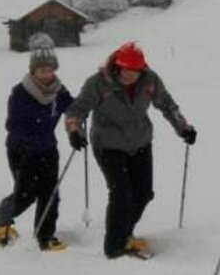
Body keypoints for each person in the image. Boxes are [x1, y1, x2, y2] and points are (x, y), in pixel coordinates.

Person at [65, 41, 196, 259]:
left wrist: (183, 128)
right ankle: (114, 247)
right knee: (121, 193)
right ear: (118, 65)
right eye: (126, 70)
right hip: (108, 143)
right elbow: (76, 110)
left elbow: (167, 104)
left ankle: (124, 233)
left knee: (144, 193)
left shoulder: (150, 80)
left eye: (135, 71)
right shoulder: (99, 83)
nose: (130, 75)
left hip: (140, 141)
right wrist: (74, 131)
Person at [0, 34, 75, 251]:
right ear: (33, 70)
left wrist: (82, 115)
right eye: (42, 70)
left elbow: (72, 107)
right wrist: (32, 139)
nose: (47, 74)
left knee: (51, 194)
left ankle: (45, 235)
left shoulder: (58, 90)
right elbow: (13, 125)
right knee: (25, 196)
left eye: (50, 69)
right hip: (22, 150)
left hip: (48, 149)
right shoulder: (20, 93)